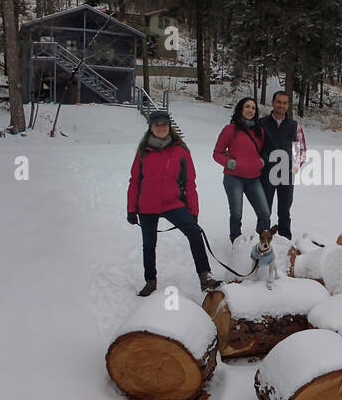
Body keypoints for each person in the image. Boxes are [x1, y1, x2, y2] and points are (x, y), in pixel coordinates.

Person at [127, 111, 217, 296]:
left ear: (169, 127)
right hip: (147, 205)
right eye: (157, 125)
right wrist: (131, 208)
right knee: (149, 244)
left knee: (194, 232)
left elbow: (190, 182)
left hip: (172, 202)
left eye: (164, 124)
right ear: (150, 128)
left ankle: (205, 276)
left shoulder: (180, 150)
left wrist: (193, 211)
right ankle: (150, 281)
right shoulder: (143, 151)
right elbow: (135, 180)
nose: (161, 128)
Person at [213, 96, 275, 249]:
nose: (250, 110)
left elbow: (260, 151)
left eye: (253, 108)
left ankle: (262, 242)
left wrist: (260, 161)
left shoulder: (259, 131)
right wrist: (228, 162)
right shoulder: (230, 129)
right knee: (236, 214)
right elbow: (217, 153)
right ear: (241, 109)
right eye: (247, 107)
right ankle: (236, 242)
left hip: (254, 179)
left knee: (265, 213)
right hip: (234, 178)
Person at [262, 89, 309, 239]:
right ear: (273, 103)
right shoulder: (262, 123)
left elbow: (301, 149)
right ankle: (263, 240)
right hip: (266, 173)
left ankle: (284, 241)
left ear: (288, 105)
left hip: (286, 173)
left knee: (284, 211)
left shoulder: (294, 125)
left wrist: (294, 168)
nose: (281, 106)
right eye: (278, 102)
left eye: (284, 103)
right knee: (264, 210)